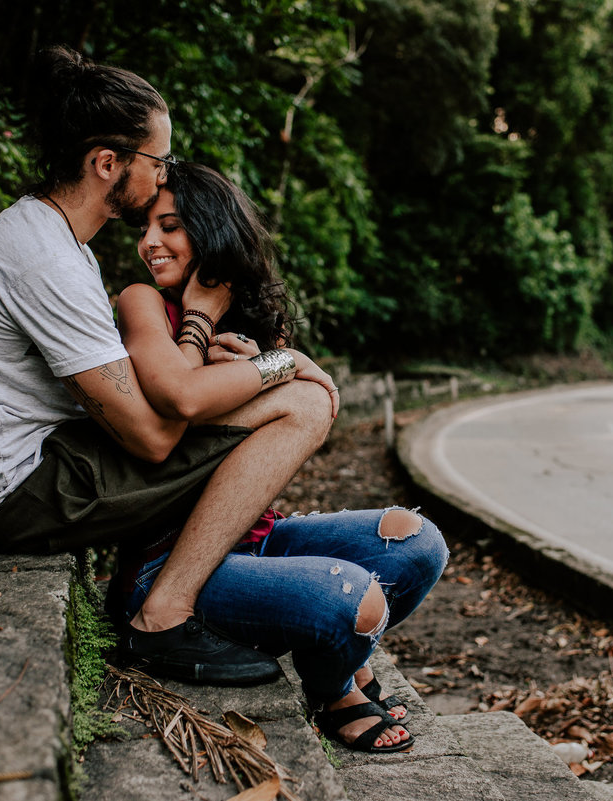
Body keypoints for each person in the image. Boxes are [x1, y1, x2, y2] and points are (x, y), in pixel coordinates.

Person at [0, 45, 340, 685]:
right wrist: (277, 362)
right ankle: (163, 616)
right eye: (159, 162)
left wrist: (232, 365)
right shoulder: (46, 260)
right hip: (24, 493)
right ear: (107, 163)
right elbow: (155, 435)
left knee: (282, 396)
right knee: (304, 404)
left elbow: (153, 399)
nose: (162, 177)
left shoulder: (55, 242)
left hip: (49, 465)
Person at [108, 162, 448, 753]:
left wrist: (260, 361)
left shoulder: (257, 325)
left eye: (170, 226)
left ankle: (338, 660)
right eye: (145, 229)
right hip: (165, 565)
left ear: (212, 232)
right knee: (350, 598)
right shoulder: (143, 304)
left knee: (419, 543)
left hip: (256, 539)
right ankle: (336, 688)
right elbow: (178, 401)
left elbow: (308, 406)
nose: (149, 243)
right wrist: (199, 320)